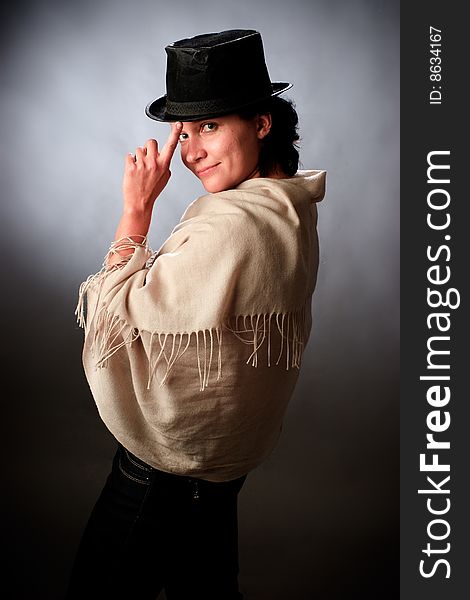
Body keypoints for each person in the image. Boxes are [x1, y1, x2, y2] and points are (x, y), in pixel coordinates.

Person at [66, 29, 326, 599]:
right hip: (221, 466)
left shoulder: (231, 224)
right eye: (183, 131)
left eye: (210, 125)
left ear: (262, 123)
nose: (189, 151)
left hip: (166, 468)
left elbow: (119, 316)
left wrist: (136, 211)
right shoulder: (292, 205)